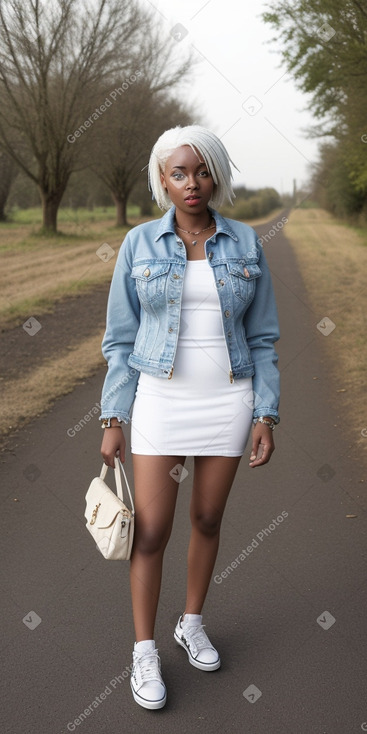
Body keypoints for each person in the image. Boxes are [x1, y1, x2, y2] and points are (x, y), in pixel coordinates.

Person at [100, 125, 280, 710]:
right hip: (160, 399)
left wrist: (264, 413)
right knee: (151, 530)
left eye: (202, 171)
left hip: (229, 397)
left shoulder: (247, 243)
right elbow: (120, 340)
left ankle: (191, 621)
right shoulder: (138, 244)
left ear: (217, 176)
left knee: (207, 517)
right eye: (179, 173)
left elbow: (265, 337)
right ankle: (144, 651)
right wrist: (113, 418)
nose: (192, 183)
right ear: (162, 180)